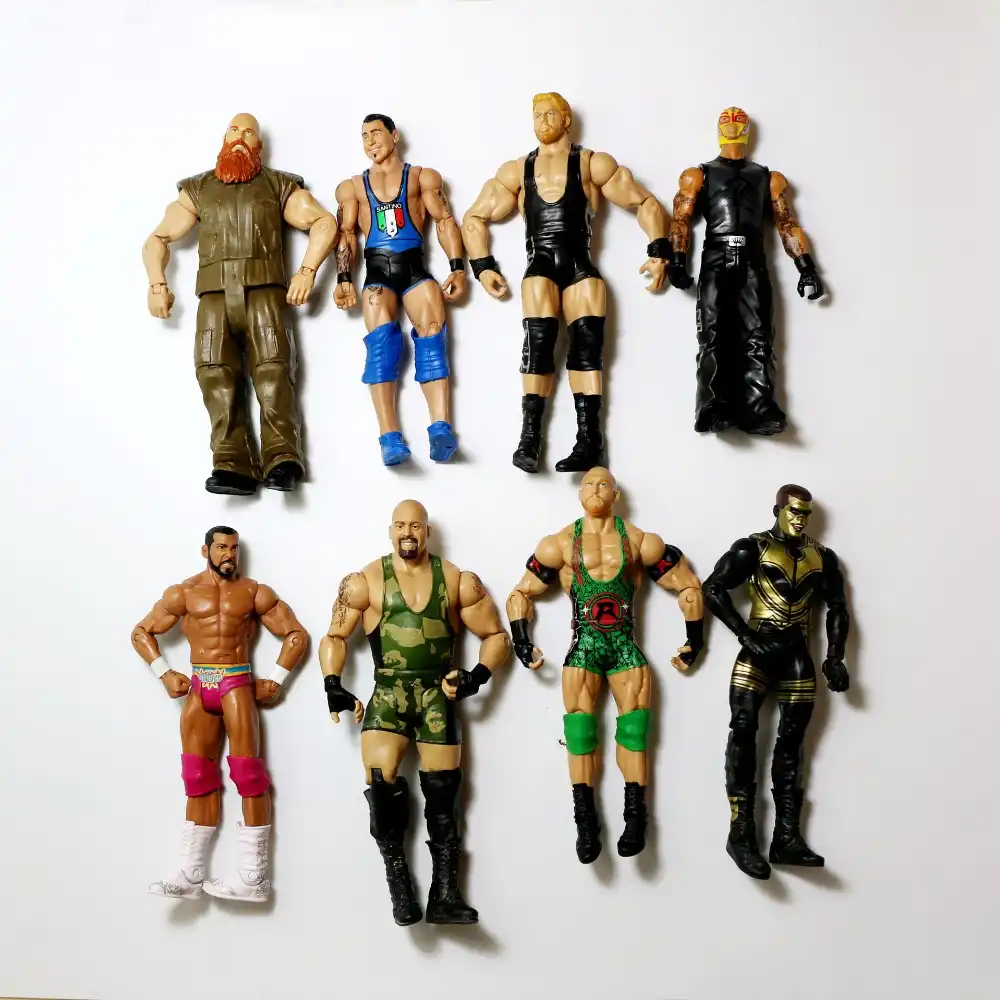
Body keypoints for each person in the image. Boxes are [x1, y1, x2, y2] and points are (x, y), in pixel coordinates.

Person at [320, 500, 510, 924]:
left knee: (445, 793)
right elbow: (334, 637)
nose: (408, 532)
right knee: (380, 784)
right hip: (388, 694)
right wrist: (332, 683)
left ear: (427, 531)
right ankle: (400, 887)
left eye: (416, 525)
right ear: (390, 530)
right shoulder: (365, 581)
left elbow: (496, 636)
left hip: (437, 695)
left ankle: (446, 894)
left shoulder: (458, 580)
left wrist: (476, 676)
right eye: (400, 525)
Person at [462, 93, 670, 473]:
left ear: (566, 119)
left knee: (587, 351)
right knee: (538, 346)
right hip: (539, 265)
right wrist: (483, 266)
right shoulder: (517, 170)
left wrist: (658, 252)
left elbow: (645, 204)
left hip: (580, 266)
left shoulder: (591, 163)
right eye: (536, 115)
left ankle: (590, 442)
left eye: (549, 114)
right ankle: (529, 440)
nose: (542, 120)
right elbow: (474, 218)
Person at [507, 468, 704, 863]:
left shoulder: (641, 541)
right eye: (589, 484)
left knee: (634, 734)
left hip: (625, 649)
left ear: (615, 494)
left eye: (604, 485)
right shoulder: (559, 543)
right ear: (580, 493)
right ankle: (586, 824)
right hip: (584, 649)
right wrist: (522, 641)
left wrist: (694, 640)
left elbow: (688, 586)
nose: (596, 489)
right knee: (579, 735)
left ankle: (636, 820)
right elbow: (520, 594)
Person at [142, 113, 338, 494]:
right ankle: (232, 461)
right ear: (223, 138)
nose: (239, 137)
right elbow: (157, 238)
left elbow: (323, 222)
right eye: (234, 130)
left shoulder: (278, 185)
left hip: (265, 290)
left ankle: (282, 456)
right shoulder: (198, 189)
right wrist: (156, 283)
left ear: (258, 146)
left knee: (274, 370)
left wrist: (307, 271)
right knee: (213, 371)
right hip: (213, 295)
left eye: (248, 133)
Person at [131, 527, 307, 901]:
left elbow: (296, 635)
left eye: (234, 548)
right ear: (205, 550)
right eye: (222, 547)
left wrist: (276, 680)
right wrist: (165, 673)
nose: (229, 554)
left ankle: (254, 878)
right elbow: (141, 632)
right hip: (200, 685)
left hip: (236, 683)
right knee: (197, 777)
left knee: (249, 775)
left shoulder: (254, 592)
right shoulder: (183, 592)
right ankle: (190, 873)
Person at [703, 485, 850, 879]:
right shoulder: (752, 547)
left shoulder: (823, 556)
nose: (800, 519)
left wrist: (835, 656)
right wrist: (743, 634)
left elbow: (837, 607)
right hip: (759, 647)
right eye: (794, 512)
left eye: (805, 514)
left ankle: (786, 836)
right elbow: (712, 589)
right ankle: (741, 832)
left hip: (797, 654)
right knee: (743, 730)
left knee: (793, 741)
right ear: (778, 510)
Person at [668, 107, 825, 435]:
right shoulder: (698, 175)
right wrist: (677, 260)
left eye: (738, 122)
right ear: (718, 130)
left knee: (759, 334)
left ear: (748, 131)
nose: (732, 124)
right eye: (726, 121)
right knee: (713, 334)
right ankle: (713, 406)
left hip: (753, 256)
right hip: (716, 255)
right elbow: (680, 220)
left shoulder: (768, 178)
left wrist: (806, 267)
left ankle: (760, 406)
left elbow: (787, 224)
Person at [334, 115, 466, 466]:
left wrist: (457, 268)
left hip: (414, 267)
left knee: (433, 335)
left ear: (394, 135)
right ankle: (389, 437)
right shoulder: (353, 187)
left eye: (376, 133)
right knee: (381, 346)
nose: (370, 141)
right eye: (364, 136)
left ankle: (441, 427)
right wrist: (343, 278)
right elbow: (346, 234)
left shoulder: (422, 177)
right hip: (377, 271)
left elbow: (444, 221)